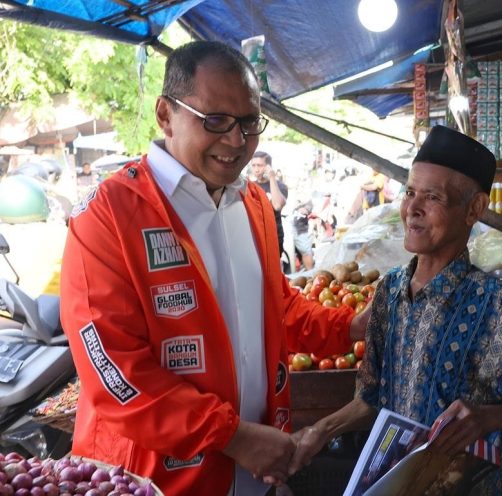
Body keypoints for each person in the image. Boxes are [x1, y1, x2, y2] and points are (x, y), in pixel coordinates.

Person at [60, 41, 370, 496]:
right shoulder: (109, 213)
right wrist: (232, 436)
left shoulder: (254, 204)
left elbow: (276, 310)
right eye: (216, 121)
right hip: (150, 481)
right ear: (165, 115)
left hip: (255, 478)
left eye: (248, 123)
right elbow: (115, 370)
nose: (236, 141)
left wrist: (354, 325)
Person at [288, 125, 502, 495]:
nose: (412, 209)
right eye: (409, 193)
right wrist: (319, 431)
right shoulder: (388, 293)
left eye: (431, 197)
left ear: (473, 210)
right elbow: (371, 398)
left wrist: (486, 418)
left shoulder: (498, 305)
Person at [250, 151, 288, 254]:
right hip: (256, 236)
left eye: (260, 165)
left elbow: (277, 205)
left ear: (268, 167)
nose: (256, 169)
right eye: (253, 165)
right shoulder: (251, 186)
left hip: (274, 237)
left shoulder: (279, 186)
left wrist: (272, 177)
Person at [291, 198, 315, 270]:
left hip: (300, 227)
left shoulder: (307, 200)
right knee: (306, 251)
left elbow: (305, 210)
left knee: (306, 251)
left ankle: (310, 271)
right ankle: (309, 271)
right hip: (297, 226)